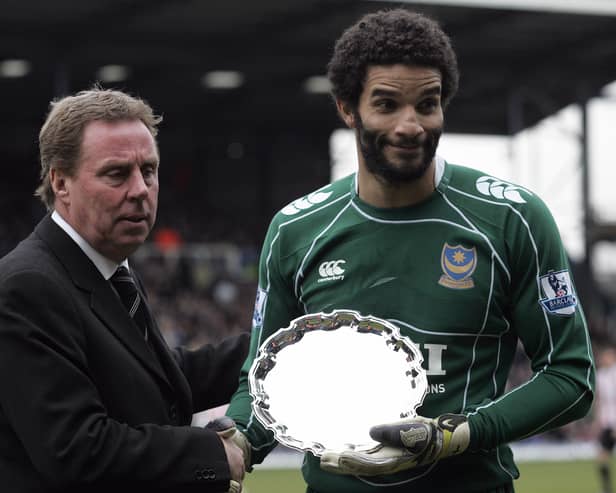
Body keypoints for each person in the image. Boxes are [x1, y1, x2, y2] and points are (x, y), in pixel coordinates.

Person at [220, 8, 596, 493]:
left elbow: (570, 378)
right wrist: (238, 443)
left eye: (427, 103)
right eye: (387, 104)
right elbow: (266, 377)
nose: (410, 125)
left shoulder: (513, 219)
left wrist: (454, 436)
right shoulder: (296, 230)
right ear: (346, 108)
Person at [0, 87, 249, 492]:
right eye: (117, 173)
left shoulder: (110, 271)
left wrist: (275, 350)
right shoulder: (26, 288)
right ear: (60, 182)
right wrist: (210, 453)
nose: (140, 189)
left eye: (148, 170)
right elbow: (76, 449)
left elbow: (157, 381)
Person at [595, 345, 616, 493]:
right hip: (607, 423)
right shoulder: (601, 375)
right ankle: (607, 490)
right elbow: (600, 400)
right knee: (602, 458)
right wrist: (599, 421)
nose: (604, 359)